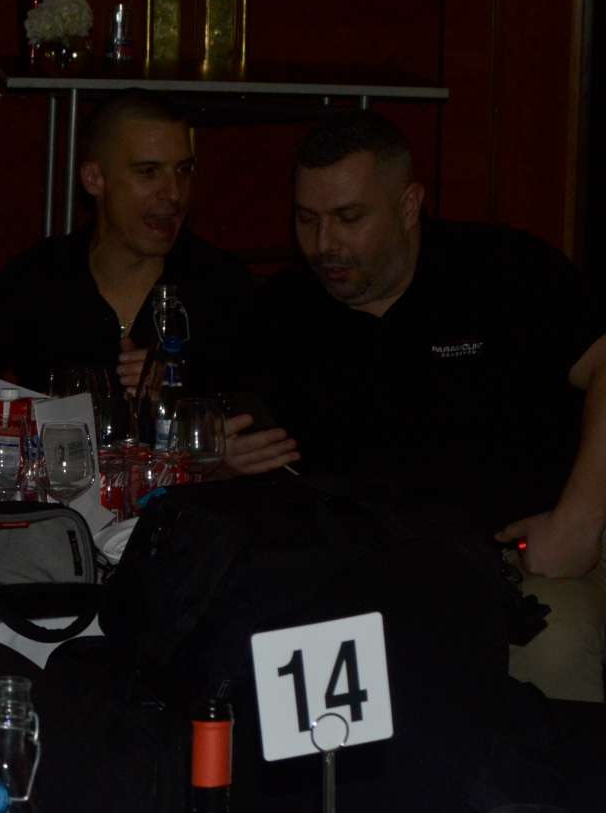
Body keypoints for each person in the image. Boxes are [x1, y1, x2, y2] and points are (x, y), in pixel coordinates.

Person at [249, 109, 606, 702]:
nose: (324, 244)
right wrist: (225, 456)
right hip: (359, 576)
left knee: (553, 644)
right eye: (306, 219)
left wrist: (579, 521)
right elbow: (232, 441)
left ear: (409, 205)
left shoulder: (501, 270)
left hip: (520, 564)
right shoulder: (284, 311)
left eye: (349, 218)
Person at [0, 91, 269, 439]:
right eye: (149, 172)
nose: (174, 193)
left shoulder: (222, 286)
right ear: (94, 179)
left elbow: (267, 420)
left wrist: (186, 404)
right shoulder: (41, 278)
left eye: (183, 170)